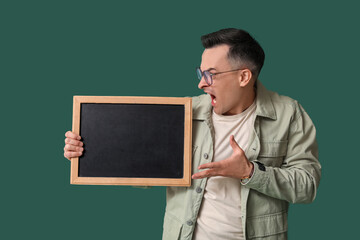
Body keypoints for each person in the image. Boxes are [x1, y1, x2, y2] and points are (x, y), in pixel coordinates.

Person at [64, 28, 321, 240]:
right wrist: (88, 150)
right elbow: (142, 164)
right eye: (200, 74)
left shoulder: (289, 114)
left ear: (244, 76)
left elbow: (307, 186)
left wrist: (249, 172)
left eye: (210, 75)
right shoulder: (185, 112)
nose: (201, 83)